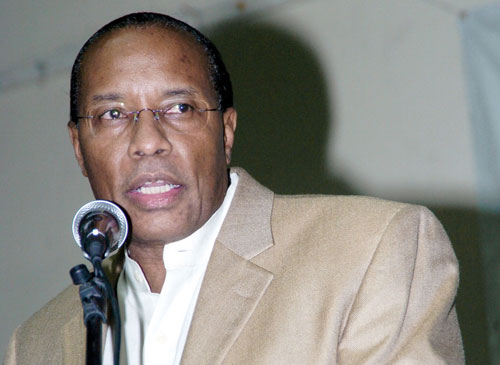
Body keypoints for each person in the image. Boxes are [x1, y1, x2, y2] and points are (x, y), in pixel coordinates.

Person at [5, 12, 464, 364]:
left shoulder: (372, 251)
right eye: (112, 115)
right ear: (79, 149)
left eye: (180, 107)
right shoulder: (37, 341)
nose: (147, 142)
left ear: (225, 133)